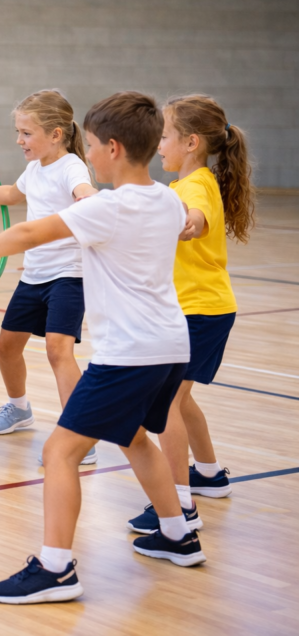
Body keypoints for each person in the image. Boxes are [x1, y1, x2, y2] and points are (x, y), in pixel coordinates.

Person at [0, 92, 205, 604]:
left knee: (59, 452)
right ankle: (179, 535)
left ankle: (56, 568)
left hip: (127, 353)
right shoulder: (168, 199)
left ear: (111, 149)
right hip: (171, 345)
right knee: (132, 438)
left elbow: (30, 231)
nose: (87, 153)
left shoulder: (107, 207)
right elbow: (185, 224)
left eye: (89, 145)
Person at [125, 94, 255, 534]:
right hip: (205, 309)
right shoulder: (186, 183)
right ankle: (210, 474)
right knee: (181, 398)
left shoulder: (195, 185)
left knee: (167, 406)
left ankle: (178, 504)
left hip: (199, 312)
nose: (158, 144)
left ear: (192, 143)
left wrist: (188, 223)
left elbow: (194, 218)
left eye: (164, 137)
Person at [0, 90, 98, 465]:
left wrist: (89, 197)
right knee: (7, 346)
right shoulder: (35, 168)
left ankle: (79, 435)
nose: (19, 140)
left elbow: (83, 190)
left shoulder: (72, 166)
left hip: (68, 275)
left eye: (26, 133)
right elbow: (12, 193)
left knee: (59, 350)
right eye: (18, 132)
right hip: (35, 274)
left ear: (56, 134)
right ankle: (19, 408)